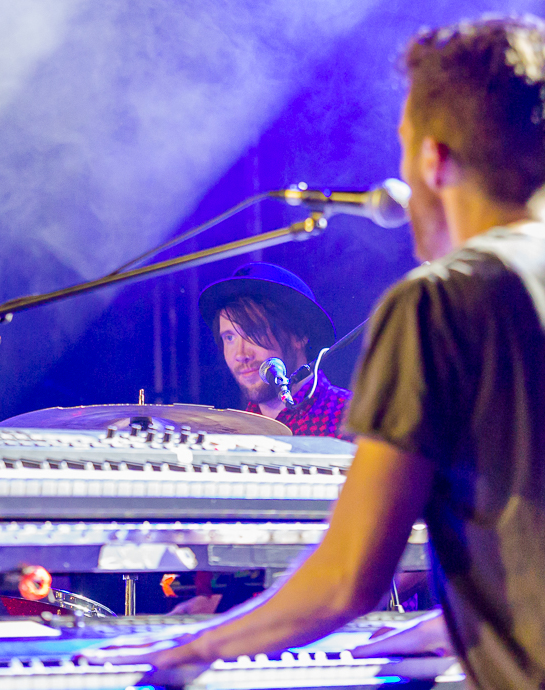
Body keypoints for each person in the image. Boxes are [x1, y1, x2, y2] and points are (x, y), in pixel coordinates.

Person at [83, 15, 545, 688]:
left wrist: (194, 648)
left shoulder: (443, 301)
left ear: (432, 159)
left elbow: (348, 580)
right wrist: (451, 622)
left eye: (404, 146)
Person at [198, 263, 352, 439]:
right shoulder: (234, 434)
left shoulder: (352, 418)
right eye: (230, 337)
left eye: (254, 332)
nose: (241, 355)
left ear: (299, 335)